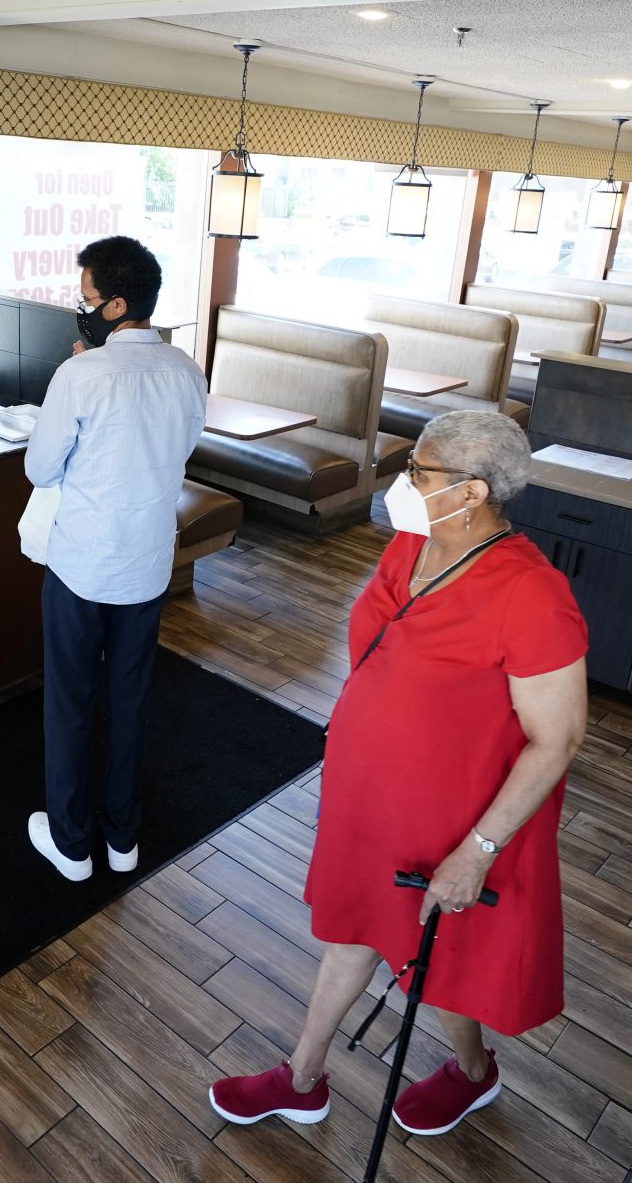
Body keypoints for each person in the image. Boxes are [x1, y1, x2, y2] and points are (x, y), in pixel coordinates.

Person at [210, 411, 589, 1136]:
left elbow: (559, 738)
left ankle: (473, 1072)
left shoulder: (532, 596)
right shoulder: (411, 547)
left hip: (450, 819)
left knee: (438, 957)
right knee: (356, 928)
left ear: (472, 492)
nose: (401, 483)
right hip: (372, 801)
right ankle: (303, 1079)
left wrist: (476, 851)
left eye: (419, 472)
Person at [23, 236, 207, 881]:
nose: (81, 306)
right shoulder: (187, 370)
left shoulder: (81, 374)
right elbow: (181, 448)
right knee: (130, 698)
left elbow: (41, 468)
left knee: (70, 700)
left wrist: (77, 380)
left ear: (118, 304)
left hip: (81, 562)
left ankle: (72, 844)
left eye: (88, 298)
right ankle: (122, 837)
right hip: (148, 561)